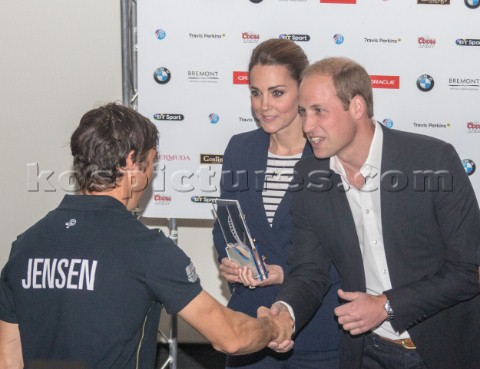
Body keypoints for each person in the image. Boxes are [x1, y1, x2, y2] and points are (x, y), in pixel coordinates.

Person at [0, 103, 293, 369]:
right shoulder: (147, 250)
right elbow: (231, 337)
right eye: (151, 161)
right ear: (131, 163)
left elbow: (8, 358)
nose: (152, 173)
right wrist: (272, 326)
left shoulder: (25, 245)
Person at [268, 57, 480, 369]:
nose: (307, 125)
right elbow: (309, 270)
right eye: (303, 112)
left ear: (356, 107)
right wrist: (284, 312)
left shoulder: (433, 160)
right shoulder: (309, 174)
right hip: (365, 353)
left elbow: (468, 271)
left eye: (318, 111)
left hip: (442, 351)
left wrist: (387, 305)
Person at [213, 39, 340, 369]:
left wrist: (285, 273)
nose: (263, 105)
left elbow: (346, 249)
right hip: (249, 328)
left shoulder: (331, 157)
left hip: (317, 330)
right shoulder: (240, 149)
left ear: (302, 90)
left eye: (277, 92)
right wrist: (231, 262)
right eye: (256, 92)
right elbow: (224, 227)